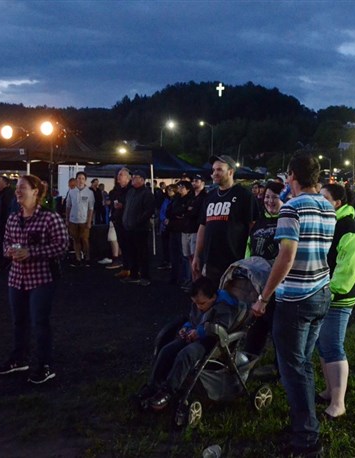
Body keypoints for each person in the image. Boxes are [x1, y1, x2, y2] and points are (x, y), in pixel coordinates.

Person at [250, 153, 335, 457]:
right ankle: (306, 425)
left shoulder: (292, 207)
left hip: (296, 299)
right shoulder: (328, 207)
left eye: (287, 176)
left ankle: (307, 440)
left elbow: (285, 257)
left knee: (293, 370)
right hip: (321, 292)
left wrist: (263, 297)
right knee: (302, 364)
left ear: (292, 176)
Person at [0, 174, 69, 384]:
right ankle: (19, 359)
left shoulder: (50, 218)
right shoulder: (13, 218)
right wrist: (9, 251)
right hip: (17, 278)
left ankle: (45, 365)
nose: (17, 191)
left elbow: (62, 245)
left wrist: (31, 252)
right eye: (17, 187)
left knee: (40, 321)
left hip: (42, 278)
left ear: (35, 192)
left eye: (22, 187)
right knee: (19, 321)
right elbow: (6, 241)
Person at [139, 276, 241, 410]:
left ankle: (168, 391)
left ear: (213, 297)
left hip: (212, 342)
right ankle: (153, 385)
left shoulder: (224, 307)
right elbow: (192, 319)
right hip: (193, 336)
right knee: (167, 350)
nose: (199, 307)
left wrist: (199, 332)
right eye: (196, 303)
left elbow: (220, 327)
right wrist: (185, 328)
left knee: (185, 354)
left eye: (202, 304)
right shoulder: (198, 304)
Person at [316, 184, 355, 420]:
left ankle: (338, 403)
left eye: (324, 198)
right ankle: (329, 390)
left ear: (337, 202)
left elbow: (347, 272)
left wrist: (329, 292)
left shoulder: (349, 229)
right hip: (323, 293)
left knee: (333, 345)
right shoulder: (328, 223)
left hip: (338, 298)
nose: (319, 201)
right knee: (322, 344)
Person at [193, 155, 260, 283]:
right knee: (211, 294)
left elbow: (253, 227)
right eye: (213, 170)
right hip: (211, 261)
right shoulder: (210, 196)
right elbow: (203, 226)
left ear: (230, 172)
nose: (215, 173)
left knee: (231, 295)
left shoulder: (244, 195)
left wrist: (250, 259)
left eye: (219, 170)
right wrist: (197, 255)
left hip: (235, 262)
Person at [242, 181, 285, 356]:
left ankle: (280, 365)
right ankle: (249, 360)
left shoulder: (287, 220)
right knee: (255, 326)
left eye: (275, 197)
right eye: (267, 196)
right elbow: (249, 246)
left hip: (278, 284)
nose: (270, 201)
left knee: (278, 328)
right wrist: (247, 268)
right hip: (257, 282)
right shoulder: (260, 220)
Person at [121, 169, 155, 286]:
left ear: (142, 179)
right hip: (129, 228)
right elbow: (127, 207)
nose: (133, 179)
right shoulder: (130, 192)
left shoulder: (147, 194)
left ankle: (145, 276)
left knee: (142, 253)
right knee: (131, 253)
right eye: (133, 177)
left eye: (135, 177)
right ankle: (133, 274)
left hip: (140, 229)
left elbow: (148, 211)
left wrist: (137, 222)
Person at [65, 171, 95, 266]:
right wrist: (67, 219)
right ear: (76, 179)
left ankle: (87, 257)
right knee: (75, 239)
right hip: (73, 220)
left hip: (84, 220)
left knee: (85, 239)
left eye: (82, 178)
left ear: (85, 180)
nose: (80, 180)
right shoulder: (71, 191)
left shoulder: (89, 193)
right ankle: (78, 258)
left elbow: (91, 208)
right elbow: (68, 206)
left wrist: (89, 221)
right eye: (79, 178)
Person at [106, 168, 131, 273]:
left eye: (121, 175)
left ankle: (131, 269)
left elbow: (133, 205)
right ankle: (125, 268)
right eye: (118, 175)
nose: (118, 177)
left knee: (129, 246)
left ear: (128, 178)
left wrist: (123, 205)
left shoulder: (131, 190)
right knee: (122, 245)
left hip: (128, 222)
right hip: (118, 220)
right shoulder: (118, 190)